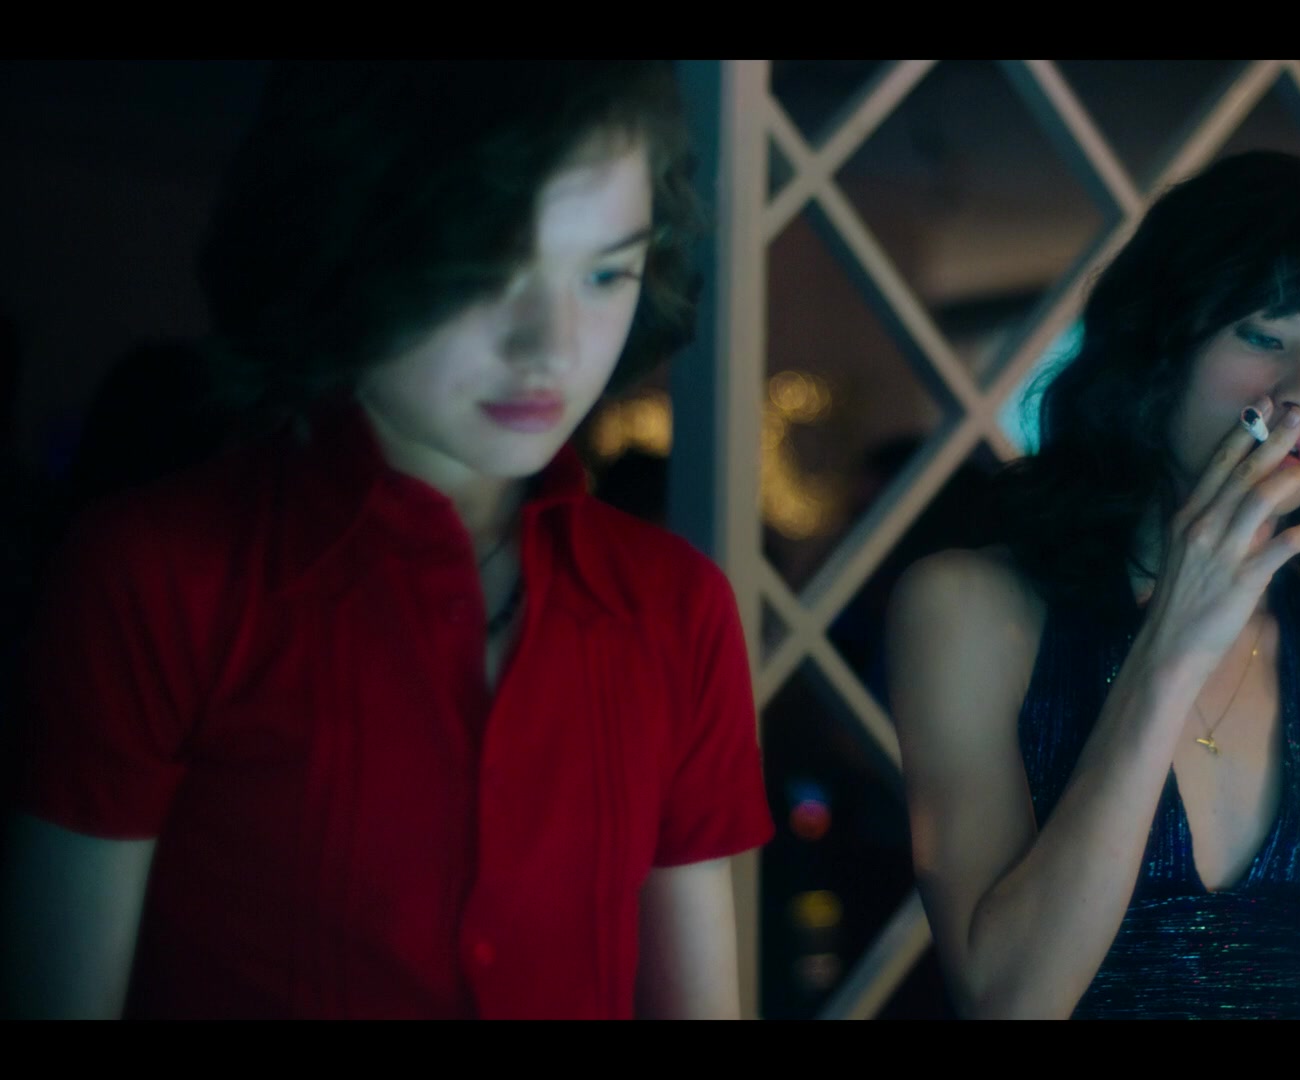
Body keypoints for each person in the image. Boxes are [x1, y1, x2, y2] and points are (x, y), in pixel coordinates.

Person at [1, 61, 772, 1020]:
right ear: (340, 245)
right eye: (485, 271)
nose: (554, 345)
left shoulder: (673, 607)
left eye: (606, 273)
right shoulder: (157, 578)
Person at [885, 151, 1300, 1019]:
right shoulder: (968, 608)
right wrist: (1171, 647)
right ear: (1164, 341)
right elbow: (1007, 1000)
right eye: (1264, 337)